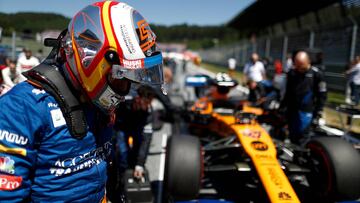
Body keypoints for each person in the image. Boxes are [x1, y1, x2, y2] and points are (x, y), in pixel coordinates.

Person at [0, 1, 164, 202]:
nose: (126, 90)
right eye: (123, 77)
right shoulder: (20, 108)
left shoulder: (97, 101)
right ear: (92, 62)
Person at [280, 51, 327, 144]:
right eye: (297, 66)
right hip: (292, 110)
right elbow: (288, 92)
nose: (299, 68)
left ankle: (301, 156)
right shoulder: (292, 73)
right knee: (293, 135)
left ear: (308, 61)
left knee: (303, 137)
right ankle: (295, 156)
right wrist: (282, 106)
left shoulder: (317, 75)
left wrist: (319, 111)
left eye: (302, 66)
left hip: (306, 111)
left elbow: (322, 95)